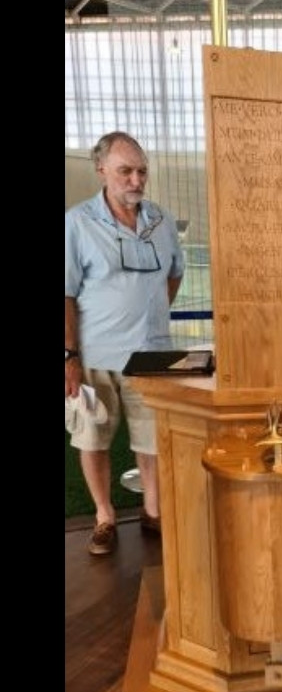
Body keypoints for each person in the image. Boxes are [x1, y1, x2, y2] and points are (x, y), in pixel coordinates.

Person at [65, 132, 185, 556]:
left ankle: (153, 512)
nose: (136, 180)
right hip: (95, 357)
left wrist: (150, 317)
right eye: (125, 171)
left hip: (151, 357)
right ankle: (103, 516)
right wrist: (70, 356)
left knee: (152, 441)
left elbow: (175, 272)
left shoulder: (161, 220)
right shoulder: (77, 223)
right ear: (102, 171)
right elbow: (65, 293)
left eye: (142, 171)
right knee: (92, 439)